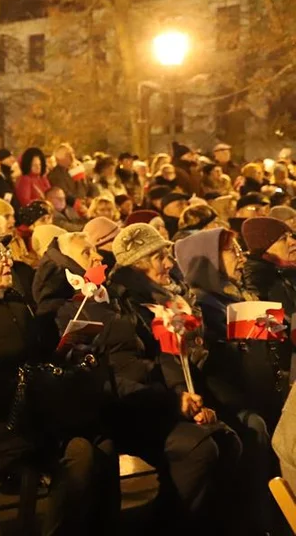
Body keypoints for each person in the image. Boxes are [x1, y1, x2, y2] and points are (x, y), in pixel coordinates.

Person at [0, 223, 121, 535]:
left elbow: (40, 356)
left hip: (40, 411)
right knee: (80, 453)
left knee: (104, 440)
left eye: (5, 252)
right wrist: (23, 391)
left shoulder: (16, 300)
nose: (7, 260)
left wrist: (68, 351)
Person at [83, 224, 243, 532]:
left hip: (169, 399)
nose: (169, 263)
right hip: (134, 407)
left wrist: (191, 392)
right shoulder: (116, 302)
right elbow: (125, 370)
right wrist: (176, 401)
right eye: (159, 257)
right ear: (137, 262)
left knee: (227, 440)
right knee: (199, 448)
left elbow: (175, 358)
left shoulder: (164, 297)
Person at [175, 228, 286, 534]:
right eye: (231, 252)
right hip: (224, 397)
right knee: (256, 427)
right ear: (209, 260)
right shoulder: (198, 304)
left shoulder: (239, 295)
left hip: (257, 389)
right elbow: (208, 366)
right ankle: (260, 519)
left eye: (240, 251)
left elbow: (280, 331)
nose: (241, 258)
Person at [241, 216, 296, 315]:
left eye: (290, 236)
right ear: (264, 247)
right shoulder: (260, 282)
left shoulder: (286, 272)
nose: (293, 242)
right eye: (283, 239)